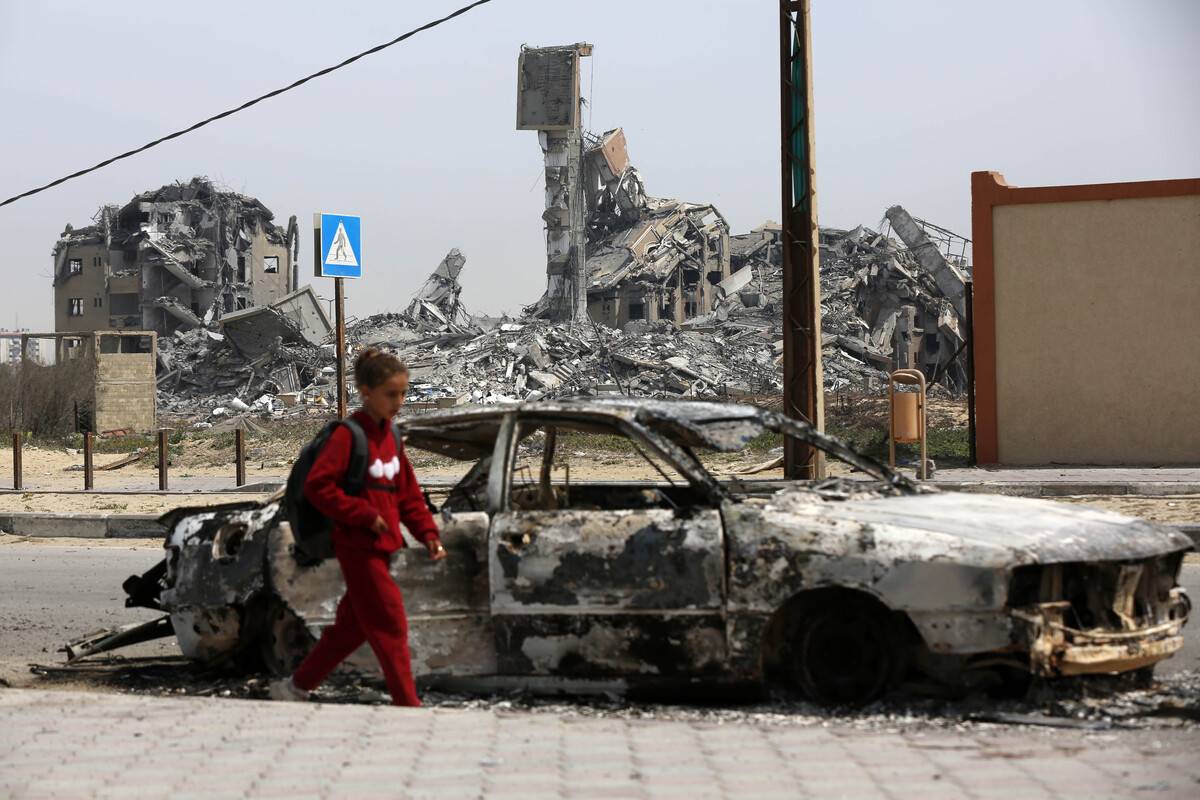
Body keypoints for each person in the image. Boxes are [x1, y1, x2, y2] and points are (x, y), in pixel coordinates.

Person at [270, 348, 446, 705]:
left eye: (403, 393)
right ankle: (407, 703)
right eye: (391, 394)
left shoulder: (392, 438)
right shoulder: (349, 436)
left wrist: (428, 534)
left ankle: (295, 688)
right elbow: (318, 487)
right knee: (390, 622)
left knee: (350, 629)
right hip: (357, 547)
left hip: (384, 548)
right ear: (366, 393)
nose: (399, 402)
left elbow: (408, 495)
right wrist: (364, 515)